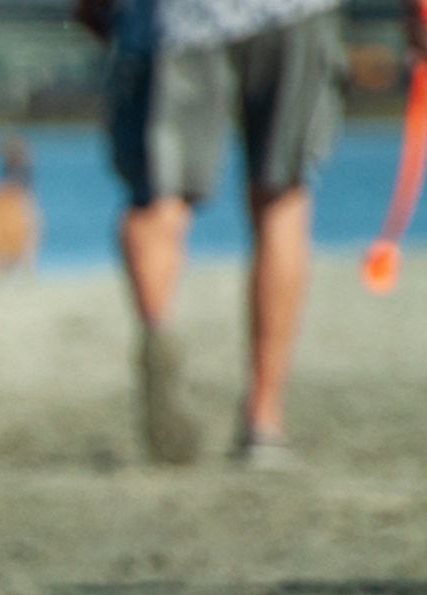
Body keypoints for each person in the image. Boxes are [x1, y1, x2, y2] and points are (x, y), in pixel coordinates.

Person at [74, 0, 427, 468]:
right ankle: (263, 421)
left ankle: (157, 334)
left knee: (157, 201)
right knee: (282, 196)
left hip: (174, 17)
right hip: (291, 11)